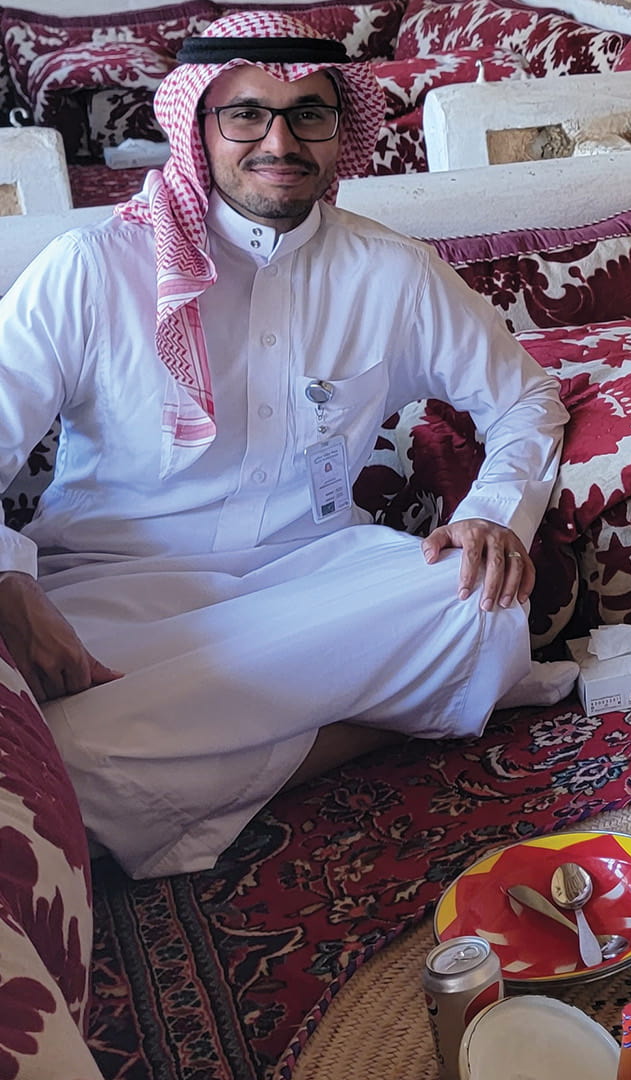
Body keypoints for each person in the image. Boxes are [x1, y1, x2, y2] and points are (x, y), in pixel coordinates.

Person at [0, 11, 571, 879]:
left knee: (478, 601)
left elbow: (527, 400)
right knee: (45, 741)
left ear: (342, 132)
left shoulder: (392, 271)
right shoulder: (91, 270)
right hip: (116, 595)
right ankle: (346, 731)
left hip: (317, 581)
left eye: (309, 113)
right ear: (197, 126)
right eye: (246, 114)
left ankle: (185, 782)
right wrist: (11, 585)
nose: (280, 138)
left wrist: (495, 514)